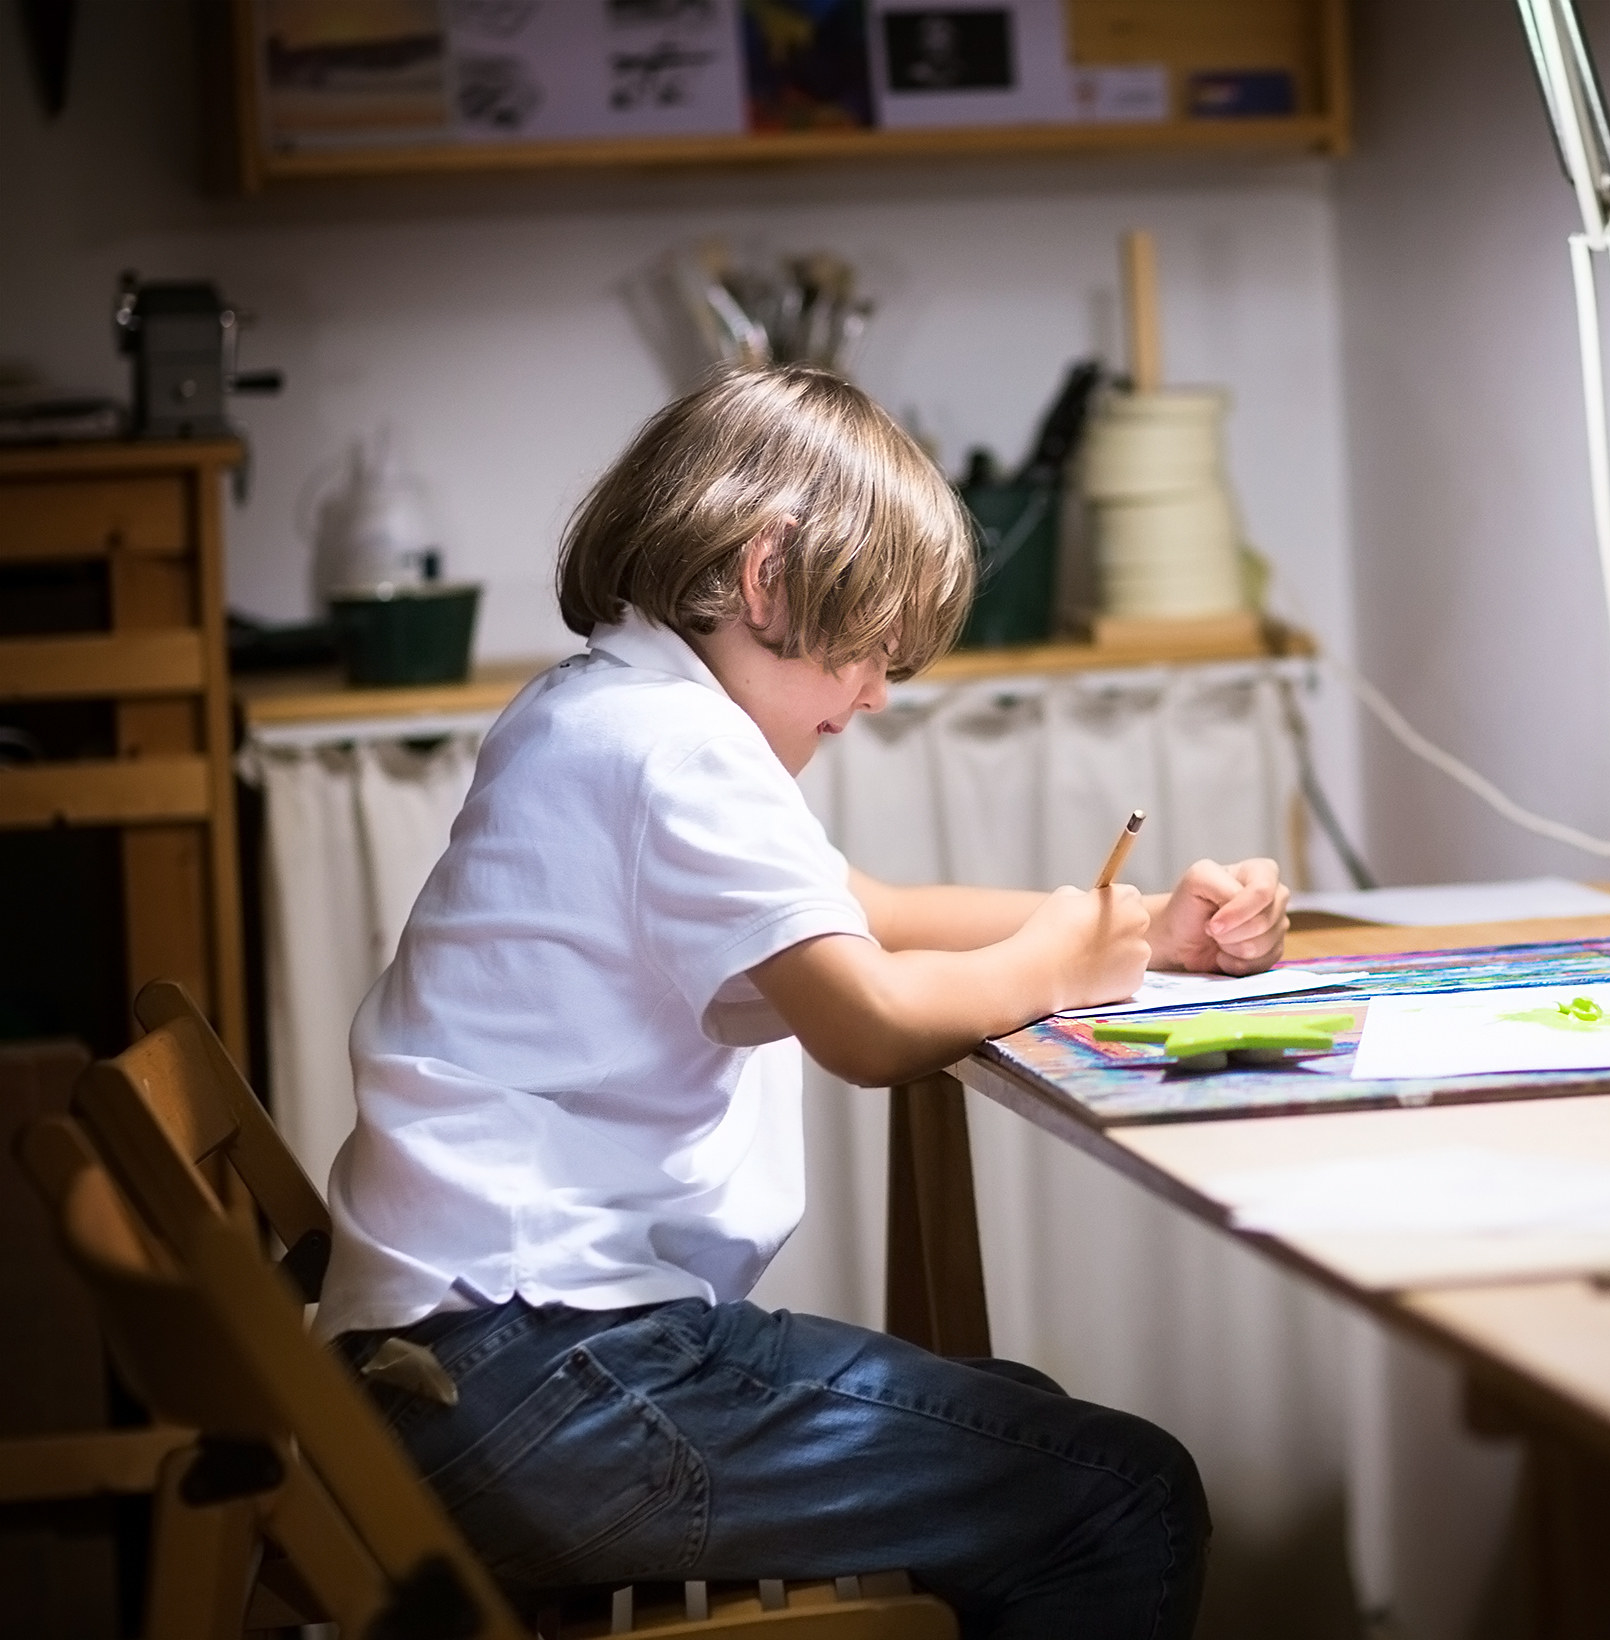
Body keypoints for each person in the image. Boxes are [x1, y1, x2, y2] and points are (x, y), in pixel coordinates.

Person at [317, 366, 1289, 1640]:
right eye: (872, 641)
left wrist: (1142, 934)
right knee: (1124, 1495)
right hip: (555, 1385)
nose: (880, 690)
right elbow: (866, 1022)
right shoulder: (679, 746)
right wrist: (1058, 964)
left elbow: (858, 904)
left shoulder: (601, 705)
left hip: (459, 1377)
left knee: (1022, 1420)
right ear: (770, 575)